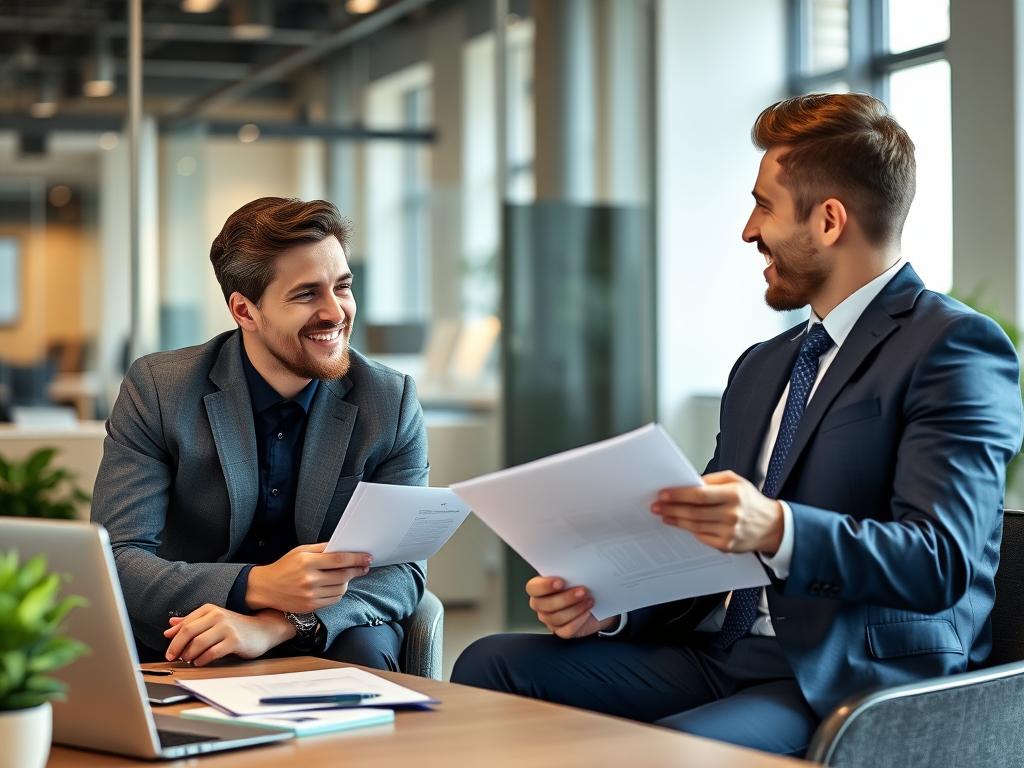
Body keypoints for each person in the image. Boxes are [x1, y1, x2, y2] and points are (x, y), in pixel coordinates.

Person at [451, 93, 1024, 757]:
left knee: (669, 751)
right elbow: (700, 549)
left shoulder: (952, 347)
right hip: (721, 652)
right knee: (489, 665)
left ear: (830, 221)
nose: (748, 231)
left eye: (764, 205)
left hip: (847, 678)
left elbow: (940, 558)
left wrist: (778, 529)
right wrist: (613, 608)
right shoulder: (764, 366)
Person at [92, 197, 428, 671]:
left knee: (364, 662)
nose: (336, 313)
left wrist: (278, 623)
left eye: (343, 287)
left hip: (330, 632)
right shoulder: (161, 390)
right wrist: (257, 584)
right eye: (306, 294)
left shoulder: (388, 401)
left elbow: (404, 569)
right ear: (245, 311)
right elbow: (118, 558)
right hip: (186, 629)